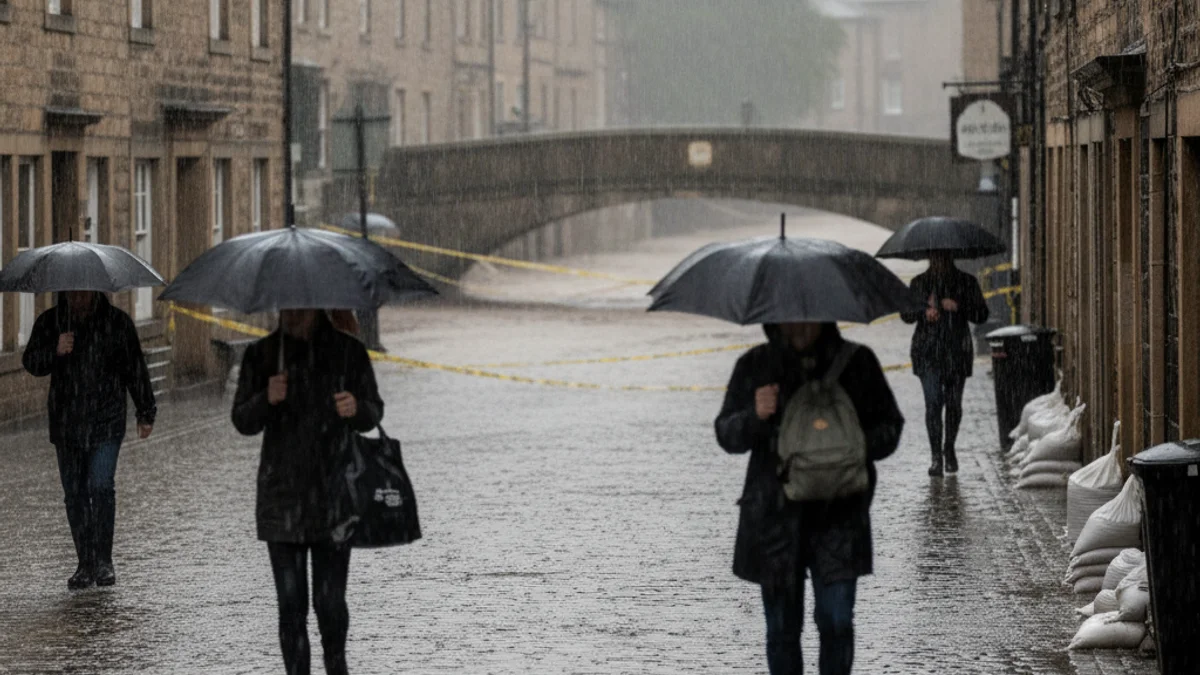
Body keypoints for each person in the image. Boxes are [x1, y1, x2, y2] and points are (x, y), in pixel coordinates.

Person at [715, 322, 903, 675]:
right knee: (782, 632)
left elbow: (890, 427)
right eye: (788, 315)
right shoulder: (756, 365)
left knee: (837, 622)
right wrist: (754, 415)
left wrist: (853, 442)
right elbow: (727, 434)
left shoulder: (857, 363)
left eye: (808, 315)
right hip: (774, 521)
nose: (799, 324)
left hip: (841, 517)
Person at [232, 309, 383, 675]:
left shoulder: (348, 352)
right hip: (281, 500)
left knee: (330, 604)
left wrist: (356, 408)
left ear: (316, 306)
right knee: (291, 605)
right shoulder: (263, 354)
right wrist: (266, 398)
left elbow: (373, 410)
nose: (292, 313)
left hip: (335, 500)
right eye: (286, 305)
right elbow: (242, 420)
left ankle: (336, 665)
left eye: (300, 305)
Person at [22, 291, 156, 590]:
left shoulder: (117, 323)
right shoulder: (52, 322)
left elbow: (135, 368)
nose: (79, 298)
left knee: (101, 485)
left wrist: (145, 411)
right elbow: (31, 361)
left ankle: (104, 561)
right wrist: (54, 350)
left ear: (96, 291)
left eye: (84, 292)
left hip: (106, 421)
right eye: (74, 292)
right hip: (67, 423)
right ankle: (85, 562)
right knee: (75, 493)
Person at [900, 252, 989, 477]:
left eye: (943, 258)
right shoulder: (919, 283)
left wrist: (958, 307)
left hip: (956, 352)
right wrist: (924, 311)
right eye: (935, 258)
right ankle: (935, 457)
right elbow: (906, 314)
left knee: (953, 404)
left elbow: (981, 314)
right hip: (927, 352)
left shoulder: (966, 282)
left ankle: (949, 448)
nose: (939, 263)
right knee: (933, 403)